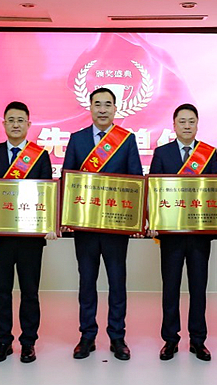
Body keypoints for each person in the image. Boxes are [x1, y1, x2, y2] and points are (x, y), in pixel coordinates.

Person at [63, 87, 143, 361]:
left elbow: (135, 180)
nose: (102, 109)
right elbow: (67, 180)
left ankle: (117, 336)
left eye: (108, 104)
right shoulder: (77, 140)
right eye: (97, 104)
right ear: (90, 107)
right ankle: (87, 336)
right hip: (85, 227)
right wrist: (66, 216)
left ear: (115, 108)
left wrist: (135, 219)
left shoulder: (127, 140)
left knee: (117, 282)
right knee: (87, 282)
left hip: (115, 228)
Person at [0, 101, 54, 364]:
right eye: (11, 120)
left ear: (29, 124)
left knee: (30, 291)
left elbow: (47, 193)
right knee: (2, 290)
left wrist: (50, 224)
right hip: (1, 238)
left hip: (31, 239)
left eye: (20, 120)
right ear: (4, 124)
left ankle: (28, 342)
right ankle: (3, 341)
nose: (16, 125)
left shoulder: (40, 155)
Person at [149, 103, 217, 362]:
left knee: (198, 289)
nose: (187, 125)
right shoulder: (162, 153)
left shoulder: (208, 153)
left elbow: (216, 191)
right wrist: (153, 221)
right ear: (174, 125)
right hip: (171, 236)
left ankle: (198, 340)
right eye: (182, 121)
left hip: (199, 235)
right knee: (170, 288)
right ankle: (170, 340)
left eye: (191, 121)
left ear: (197, 124)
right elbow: (154, 191)